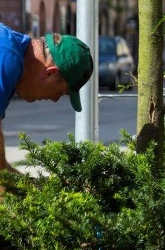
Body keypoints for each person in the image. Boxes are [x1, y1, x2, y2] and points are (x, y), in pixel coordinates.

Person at [0, 24, 94, 173]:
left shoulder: (10, 48)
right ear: (50, 73)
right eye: (61, 92)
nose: (55, 99)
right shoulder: (6, 59)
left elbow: (2, 172)